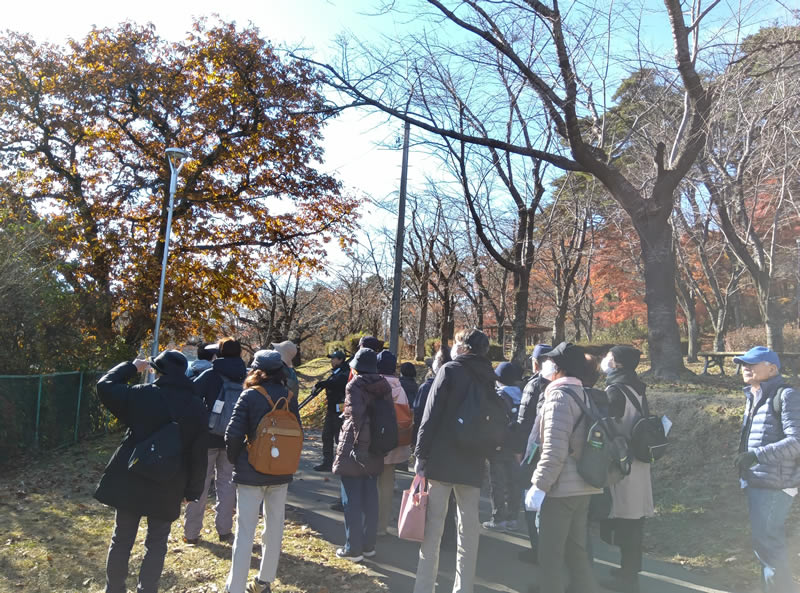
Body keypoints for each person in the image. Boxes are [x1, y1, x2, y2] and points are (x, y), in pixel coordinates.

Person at [94, 350, 208, 593]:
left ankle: (113, 589)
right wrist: (193, 490)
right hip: (170, 480)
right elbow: (199, 454)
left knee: (121, 539)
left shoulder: (141, 395)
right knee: (157, 543)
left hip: (131, 474)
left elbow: (105, 386)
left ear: (157, 371)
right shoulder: (196, 406)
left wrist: (132, 367)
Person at [413, 329, 496, 593]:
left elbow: (431, 414)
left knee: (433, 528)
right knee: (469, 530)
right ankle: (464, 588)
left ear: (464, 347)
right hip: (473, 460)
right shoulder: (488, 376)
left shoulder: (449, 370)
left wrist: (420, 455)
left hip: (442, 458)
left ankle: (425, 587)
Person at [225, 349, 302, 593]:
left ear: (256, 370)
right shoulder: (290, 396)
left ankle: (235, 587)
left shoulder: (249, 396)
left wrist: (236, 460)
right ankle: (264, 581)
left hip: (251, 472)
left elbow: (233, 434)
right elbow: (297, 431)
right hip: (281, 472)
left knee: (245, 531)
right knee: (275, 527)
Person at [527, 342, 600, 593]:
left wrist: (539, 485)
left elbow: (554, 450)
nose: (546, 365)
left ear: (559, 367)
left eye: (550, 361)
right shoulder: (584, 393)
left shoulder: (559, 396)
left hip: (561, 489)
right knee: (576, 552)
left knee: (550, 556)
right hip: (584, 485)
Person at [733, 346, 799, 593]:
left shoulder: (787, 395)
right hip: (760, 482)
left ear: (772, 368)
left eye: (752, 363)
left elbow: (797, 441)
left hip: (776, 485)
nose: (746, 368)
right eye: (743, 364)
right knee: (765, 547)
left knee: (770, 546)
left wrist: (756, 455)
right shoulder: (754, 395)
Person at [595, 345, 654, 593]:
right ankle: (629, 570)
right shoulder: (637, 387)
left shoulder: (615, 390)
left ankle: (628, 580)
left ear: (617, 363)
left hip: (622, 461)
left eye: (608, 357)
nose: (604, 360)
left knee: (626, 521)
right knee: (634, 520)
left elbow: (609, 425)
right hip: (639, 460)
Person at [332, 347, 393, 562]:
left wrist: (358, 448)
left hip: (355, 447)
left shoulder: (355, 385)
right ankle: (369, 546)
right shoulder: (384, 385)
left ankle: (353, 548)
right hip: (376, 445)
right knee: (370, 498)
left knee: (352, 500)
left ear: (356, 367)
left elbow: (356, 417)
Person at [184, 337, 246, 545]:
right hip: (232, 438)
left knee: (200, 484)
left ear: (218, 354)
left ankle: (192, 533)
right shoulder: (244, 376)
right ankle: (225, 530)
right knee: (227, 484)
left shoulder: (210, 374)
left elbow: (190, 394)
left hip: (207, 437)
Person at [516, 344, 552, 562]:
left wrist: (519, 450)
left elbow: (523, 420)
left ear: (535, 363)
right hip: (553, 451)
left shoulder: (535, 383)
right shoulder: (560, 382)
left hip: (532, 451)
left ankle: (538, 550)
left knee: (531, 500)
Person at [484, 361, 524, 531]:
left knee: (497, 483)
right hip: (516, 446)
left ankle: (498, 518)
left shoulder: (498, 396)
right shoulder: (522, 395)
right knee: (514, 482)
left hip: (498, 446)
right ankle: (513, 518)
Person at [376, 350, 412, 536]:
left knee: (370, 483)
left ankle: (369, 524)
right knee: (387, 483)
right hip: (394, 440)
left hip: (374, 441)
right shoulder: (399, 387)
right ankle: (382, 526)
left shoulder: (372, 384)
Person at [313, 350, 350, 472]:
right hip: (332, 408)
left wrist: (323, 384)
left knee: (339, 437)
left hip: (340, 409)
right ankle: (327, 462)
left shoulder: (345, 371)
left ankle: (343, 463)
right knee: (326, 435)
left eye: (334, 358)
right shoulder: (336, 371)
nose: (331, 360)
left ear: (340, 359)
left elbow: (339, 383)